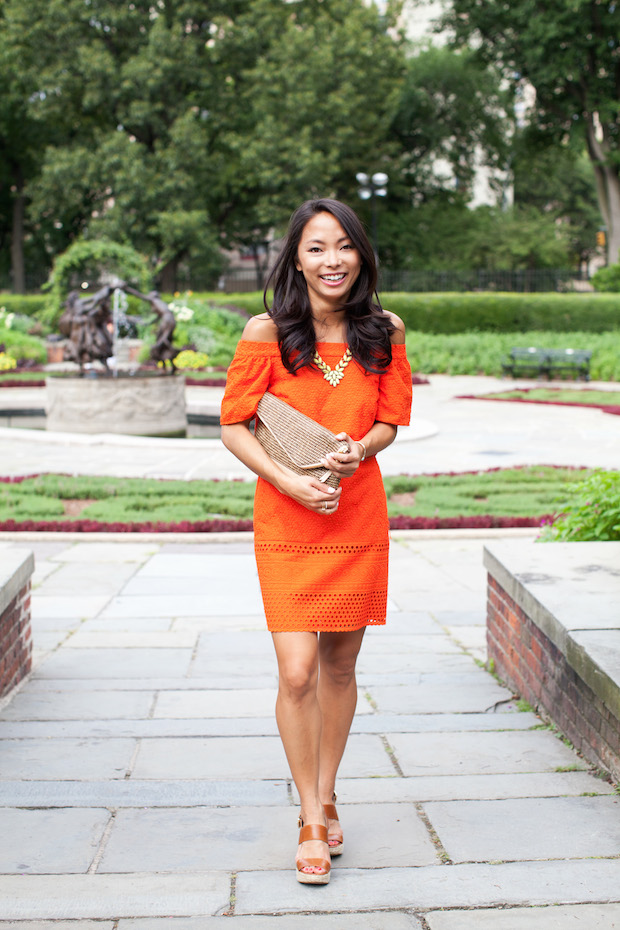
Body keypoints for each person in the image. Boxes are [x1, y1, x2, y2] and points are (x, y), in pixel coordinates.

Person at [220, 198, 412, 885]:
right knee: (297, 670)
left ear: (361, 254)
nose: (332, 261)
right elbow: (234, 425)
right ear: (295, 259)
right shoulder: (266, 332)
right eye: (316, 248)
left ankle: (329, 792)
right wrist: (289, 482)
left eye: (343, 247)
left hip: (356, 516)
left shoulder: (384, 330)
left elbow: (391, 421)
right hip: (288, 520)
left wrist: (359, 450)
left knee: (339, 668)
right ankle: (307, 816)